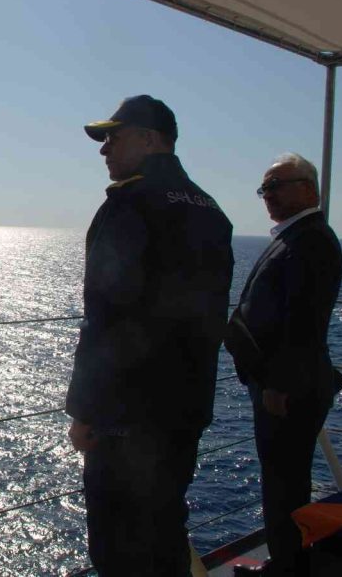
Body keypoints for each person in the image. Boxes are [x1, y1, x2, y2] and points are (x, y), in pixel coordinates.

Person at [65, 94, 234, 576]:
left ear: (148, 138)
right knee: (164, 532)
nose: (104, 149)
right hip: (184, 410)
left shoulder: (131, 204)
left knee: (118, 548)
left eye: (112, 137)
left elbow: (106, 315)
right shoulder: (211, 210)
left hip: (127, 416)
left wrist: (85, 410)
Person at [225, 153, 342, 576]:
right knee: (283, 482)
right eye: (264, 188)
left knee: (284, 485)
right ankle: (286, 562)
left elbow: (303, 320)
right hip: (285, 384)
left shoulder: (311, 241)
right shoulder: (298, 236)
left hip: (288, 389)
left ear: (308, 189)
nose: (267, 195)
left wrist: (278, 384)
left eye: (276, 185)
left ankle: (287, 568)